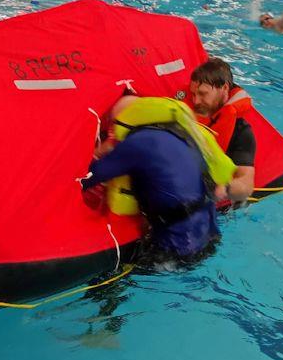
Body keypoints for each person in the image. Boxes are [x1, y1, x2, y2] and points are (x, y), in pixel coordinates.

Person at [81, 96, 226, 262]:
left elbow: (89, 176)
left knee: (110, 279)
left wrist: (101, 150)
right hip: (210, 232)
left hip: (178, 245)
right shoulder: (180, 132)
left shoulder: (137, 143)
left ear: (124, 121)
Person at [189, 58, 256, 202]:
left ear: (225, 88)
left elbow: (246, 183)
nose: (196, 101)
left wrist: (226, 189)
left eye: (203, 93)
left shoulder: (240, 131)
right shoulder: (184, 111)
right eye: (193, 94)